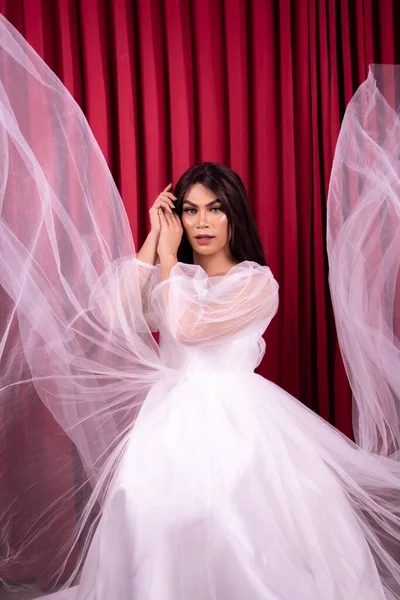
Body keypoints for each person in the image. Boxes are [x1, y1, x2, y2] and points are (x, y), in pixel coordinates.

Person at [0, 15, 399, 600]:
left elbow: (186, 323)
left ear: (234, 214)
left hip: (240, 424)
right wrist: (150, 245)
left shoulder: (257, 282)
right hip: (168, 420)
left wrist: (165, 260)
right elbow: (115, 317)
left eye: (214, 209)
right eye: (189, 210)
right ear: (177, 216)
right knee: (153, 520)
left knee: (236, 530)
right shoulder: (174, 271)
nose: (202, 222)